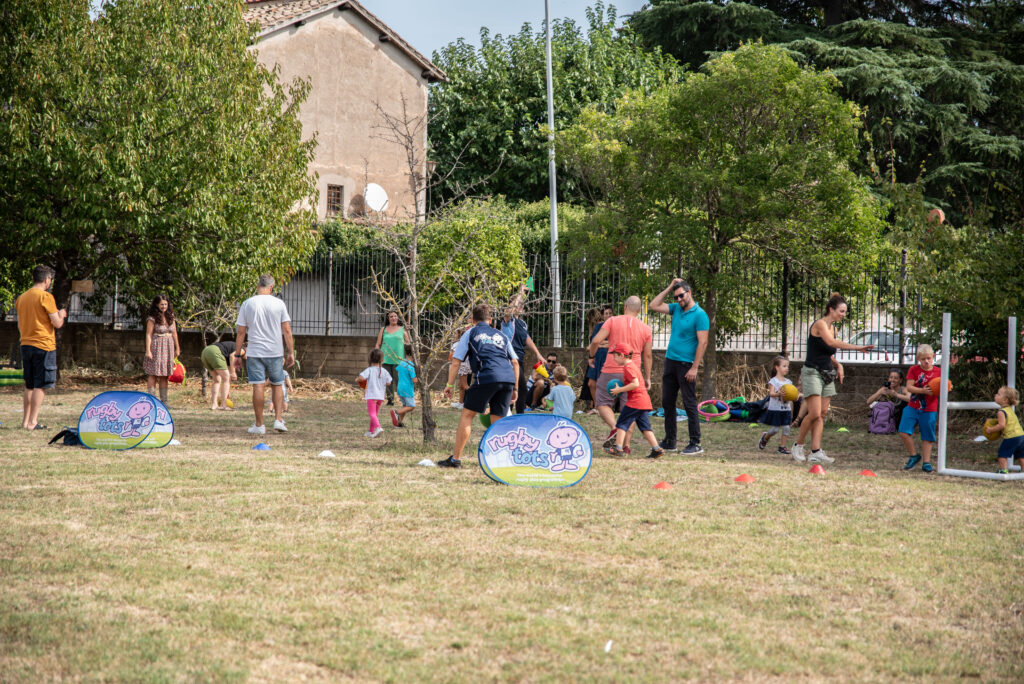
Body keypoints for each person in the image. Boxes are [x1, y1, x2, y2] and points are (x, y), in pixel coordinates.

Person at [791, 293, 874, 464]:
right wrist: (858, 347)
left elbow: (827, 353)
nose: (843, 314)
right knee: (813, 413)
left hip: (827, 373)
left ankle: (816, 451)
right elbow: (832, 343)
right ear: (831, 309)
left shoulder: (833, 328)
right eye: (841, 311)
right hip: (812, 372)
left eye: (845, 312)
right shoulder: (820, 324)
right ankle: (797, 445)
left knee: (821, 414)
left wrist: (839, 365)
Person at [441, 303, 519, 468]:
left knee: (467, 415)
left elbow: (456, 361)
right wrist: (515, 388)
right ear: (490, 320)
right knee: (498, 420)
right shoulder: (501, 334)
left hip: (487, 376)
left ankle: (455, 459)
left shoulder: (470, 332)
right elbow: (515, 362)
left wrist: (449, 385)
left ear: (471, 320)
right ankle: (500, 462)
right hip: (508, 378)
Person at [649, 279, 709, 455]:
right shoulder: (676, 309)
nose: (679, 300)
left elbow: (703, 342)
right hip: (671, 362)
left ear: (689, 293)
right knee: (667, 402)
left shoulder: (700, 315)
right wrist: (670, 287)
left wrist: (695, 367)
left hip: (686, 365)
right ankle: (670, 440)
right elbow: (653, 305)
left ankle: (695, 442)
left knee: (689, 403)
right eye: (676, 297)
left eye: (681, 295)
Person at [588, 296, 653, 454]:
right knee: (629, 409)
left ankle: (614, 427)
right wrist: (647, 377)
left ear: (625, 307)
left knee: (602, 403)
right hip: (633, 371)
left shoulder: (612, 321)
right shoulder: (646, 328)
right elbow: (648, 355)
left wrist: (591, 356)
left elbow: (596, 341)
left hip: (611, 367)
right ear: (639, 310)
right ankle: (626, 445)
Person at [235, 274, 294, 435]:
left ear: (258, 286)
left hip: (255, 352)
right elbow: (287, 330)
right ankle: (278, 419)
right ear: (271, 288)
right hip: (275, 351)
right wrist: (290, 352)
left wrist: (237, 355)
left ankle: (259, 425)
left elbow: (241, 332)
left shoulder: (248, 303)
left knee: (258, 385)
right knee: (277, 384)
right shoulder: (279, 303)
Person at [15, 265, 66, 430]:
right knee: (41, 384)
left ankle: (25, 421)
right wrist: (62, 315)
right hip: (43, 345)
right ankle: (33, 422)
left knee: (29, 384)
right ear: (46, 280)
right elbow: (56, 323)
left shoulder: (22, 298)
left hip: (26, 343)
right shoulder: (46, 297)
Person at [604, 343, 664, 459]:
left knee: (621, 423)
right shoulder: (633, 365)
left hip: (635, 402)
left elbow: (635, 384)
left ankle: (618, 448)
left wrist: (619, 390)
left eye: (615, 356)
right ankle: (657, 449)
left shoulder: (628, 367)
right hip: (644, 402)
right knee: (645, 427)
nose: (614, 358)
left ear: (621, 355)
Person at [899, 344, 942, 473]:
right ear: (918, 358)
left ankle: (926, 463)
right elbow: (909, 387)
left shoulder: (939, 372)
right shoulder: (913, 369)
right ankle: (914, 455)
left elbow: (943, 388)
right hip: (912, 406)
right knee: (903, 431)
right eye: (923, 359)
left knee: (927, 436)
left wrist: (938, 390)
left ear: (933, 357)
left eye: (929, 358)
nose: (926, 361)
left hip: (929, 409)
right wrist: (923, 391)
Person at [499, 290, 542, 414]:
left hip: (520, 359)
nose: (520, 306)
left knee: (514, 388)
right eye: (518, 304)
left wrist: (537, 353)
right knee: (521, 388)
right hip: (510, 359)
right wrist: (521, 292)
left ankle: (508, 413)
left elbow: (527, 339)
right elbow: (508, 311)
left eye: (521, 304)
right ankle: (518, 416)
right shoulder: (507, 321)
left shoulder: (522, 323)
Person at [142, 295, 181, 405]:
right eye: (161, 304)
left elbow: (174, 333)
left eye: (165, 304)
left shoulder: (171, 317)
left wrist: (177, 348)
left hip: (168, 346)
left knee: (165, 374)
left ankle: (164, 401)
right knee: (153, 373)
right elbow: (148, 335)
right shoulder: (152, 318)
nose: (164, 306)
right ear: (157, 305)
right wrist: (148, 350)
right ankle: (152, 400)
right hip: (156, 346)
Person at [758, 356, 798, 455]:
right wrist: (778, 393)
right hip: (775, 409)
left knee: (786, 428)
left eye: (787, 366)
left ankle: (782, 447)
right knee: (775, 430)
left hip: (786, 409)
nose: (787, 368)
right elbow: (771, 394)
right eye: (784, 366)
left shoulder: (789, 382)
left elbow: (793, 396)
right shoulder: (773, 381)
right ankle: (765, 437)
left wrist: (795, 397)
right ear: (777, 368)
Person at [983, 386, 1024, 474]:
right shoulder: (1009, 410)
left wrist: (991, 429)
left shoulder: (1001, 412)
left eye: (998, 394)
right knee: (1021, 455)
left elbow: (1002, 425)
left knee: (1002, 453)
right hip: (1021, 436)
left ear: (1005, 400)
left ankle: (1003, 470)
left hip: (1011, 437)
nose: (995, 395)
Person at [375, 310, 409, 406]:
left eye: (395, 316)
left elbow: (408, 344)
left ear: (398, 318)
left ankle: (404, 400)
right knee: (387, 381)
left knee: (400, 381)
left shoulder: (403, 330)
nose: (394, 318)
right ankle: (390, 400)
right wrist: (376, 356)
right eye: (391, 316)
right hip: (385, 359)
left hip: (399, 360)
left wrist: (408, 358)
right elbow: (378, 344)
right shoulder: (383, 329)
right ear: (388, 318)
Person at [584, 305, 613, 414]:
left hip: (608, 358)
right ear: (602, 315)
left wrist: (601, 343)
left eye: (610, 313)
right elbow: (593, 343)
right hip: (596, 357)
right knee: (591, 383)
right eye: (606, 313)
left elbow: (614, 343)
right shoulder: (598, 327)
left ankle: (606, 407)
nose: (609, 315)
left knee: (606, 384)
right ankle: (597, 407)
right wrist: (603, 343)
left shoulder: (615, 327)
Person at [358, 348, 392, 438]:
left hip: (371, 396)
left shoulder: (369, 370)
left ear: (369, 359)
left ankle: (378, 427)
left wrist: (358, 379)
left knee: (372, 414)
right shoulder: (384, 371)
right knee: (375, 414)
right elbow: (389, 382)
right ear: (382, 360)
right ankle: (371, 431)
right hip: (380, 397)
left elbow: (361, 378)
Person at [200, 339, 240, 410]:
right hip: (215, 352)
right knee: (226, 378)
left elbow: (227, 369)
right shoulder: (243, 348)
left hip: (206, 352)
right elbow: (232, 356)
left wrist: (227, 393)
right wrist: (233, 373)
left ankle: (214, 404)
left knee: (217, 380)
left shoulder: (229, 350)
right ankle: (223, 405)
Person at [391, 344, 418, 428]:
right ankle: (396, 412)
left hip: (400, 387)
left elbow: (399, 374)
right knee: (411, 406)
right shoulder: (410, 366)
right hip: (407, 389)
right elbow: (414, 380)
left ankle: (398, 423)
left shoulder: (402, 363)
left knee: (405, 406)